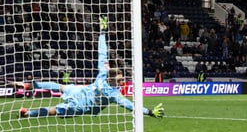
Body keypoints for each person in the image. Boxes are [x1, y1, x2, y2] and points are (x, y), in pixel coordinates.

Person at [19, 16, 165, 119]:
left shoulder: (108, 81)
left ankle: (28, 113)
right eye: (120, 80)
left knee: (54, 110)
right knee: (60, 86)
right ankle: (30, 85)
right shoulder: (109, 83)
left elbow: (129, 105)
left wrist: (149, 111)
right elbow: (102, 51)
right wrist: (102, 33)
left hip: (83, 105)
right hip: (83, 91)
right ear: (112, 79)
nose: (122, 83)